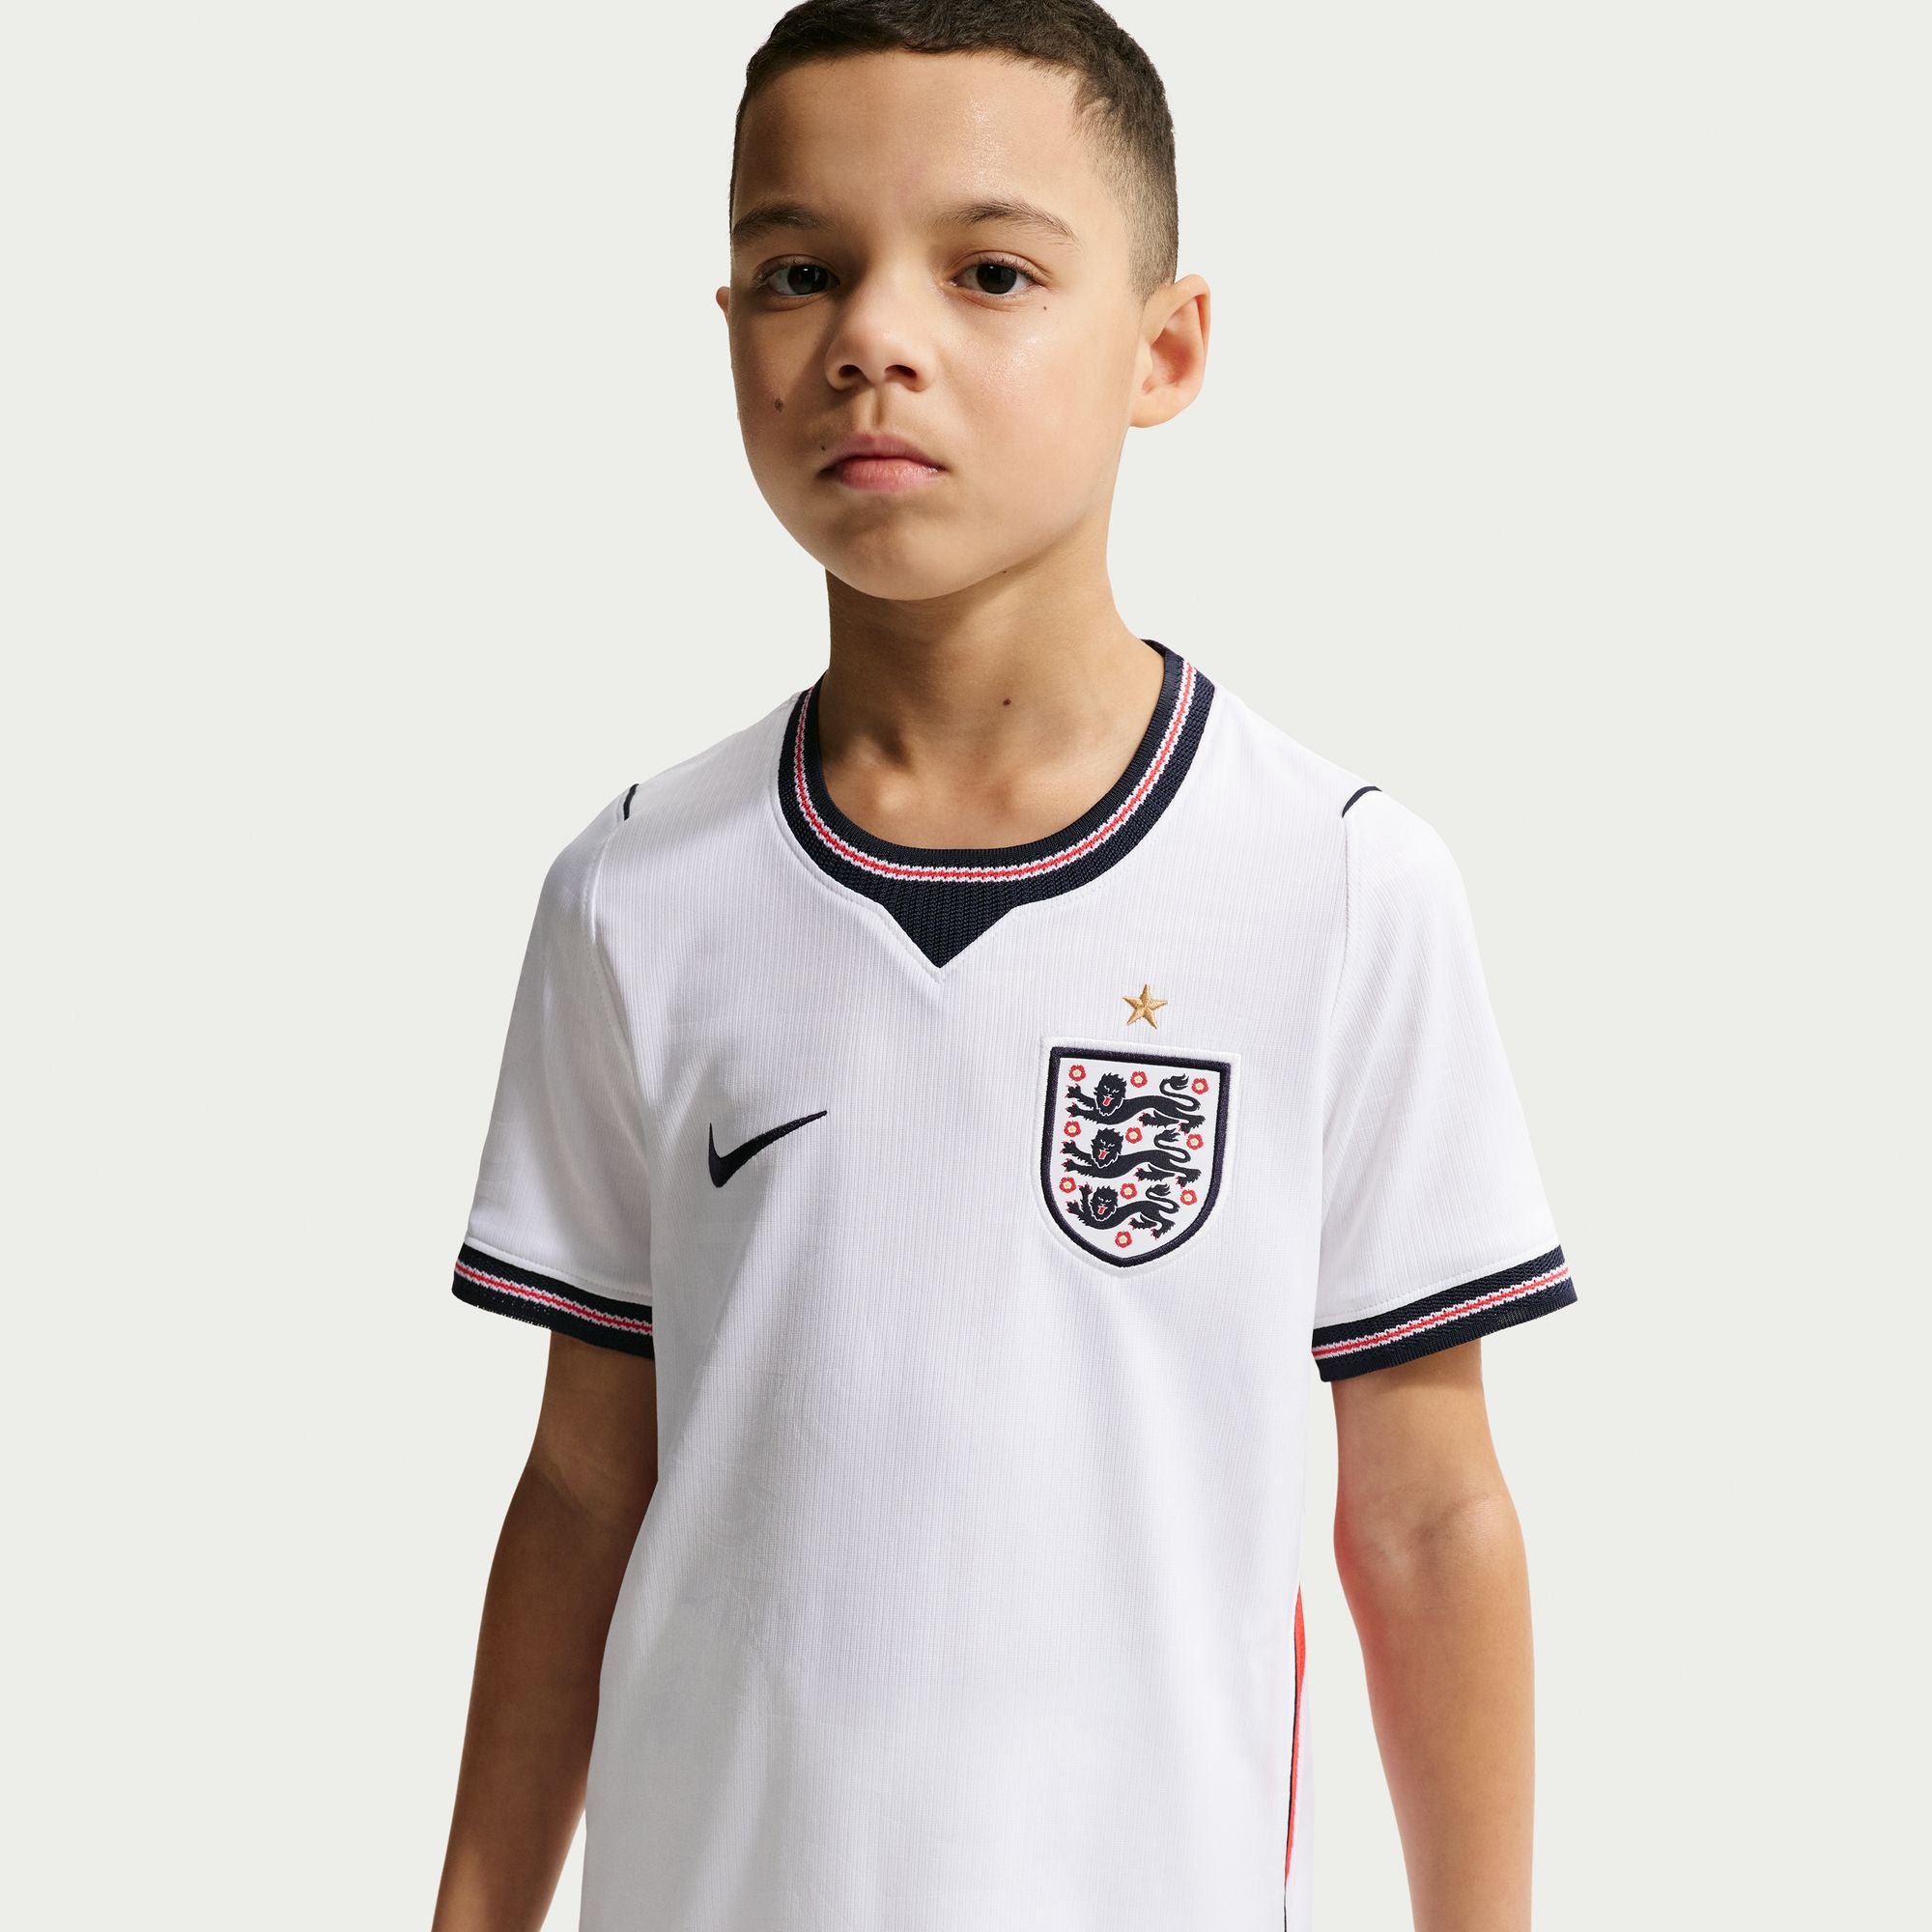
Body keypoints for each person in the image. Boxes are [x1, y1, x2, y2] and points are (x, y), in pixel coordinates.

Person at [431, 4, 1578, 1928]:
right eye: (800, 270)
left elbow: (1429, 1507)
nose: (873, 337)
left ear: (1165, 348)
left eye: (988, 274)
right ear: (730, 332)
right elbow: (581, 1486)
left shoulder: (1335, 883)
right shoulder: (634, 893)